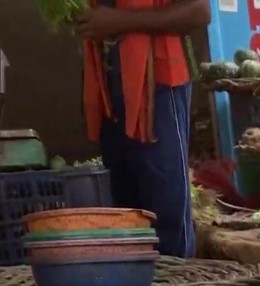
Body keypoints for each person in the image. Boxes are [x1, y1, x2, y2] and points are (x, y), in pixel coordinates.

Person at [74, 0, 209, 258]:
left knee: (166, 210)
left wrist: (119, 21)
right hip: (110, 85)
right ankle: (140, 281)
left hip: (157, 83)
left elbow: (198, 11)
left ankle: (179, 280)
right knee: (127, 209)